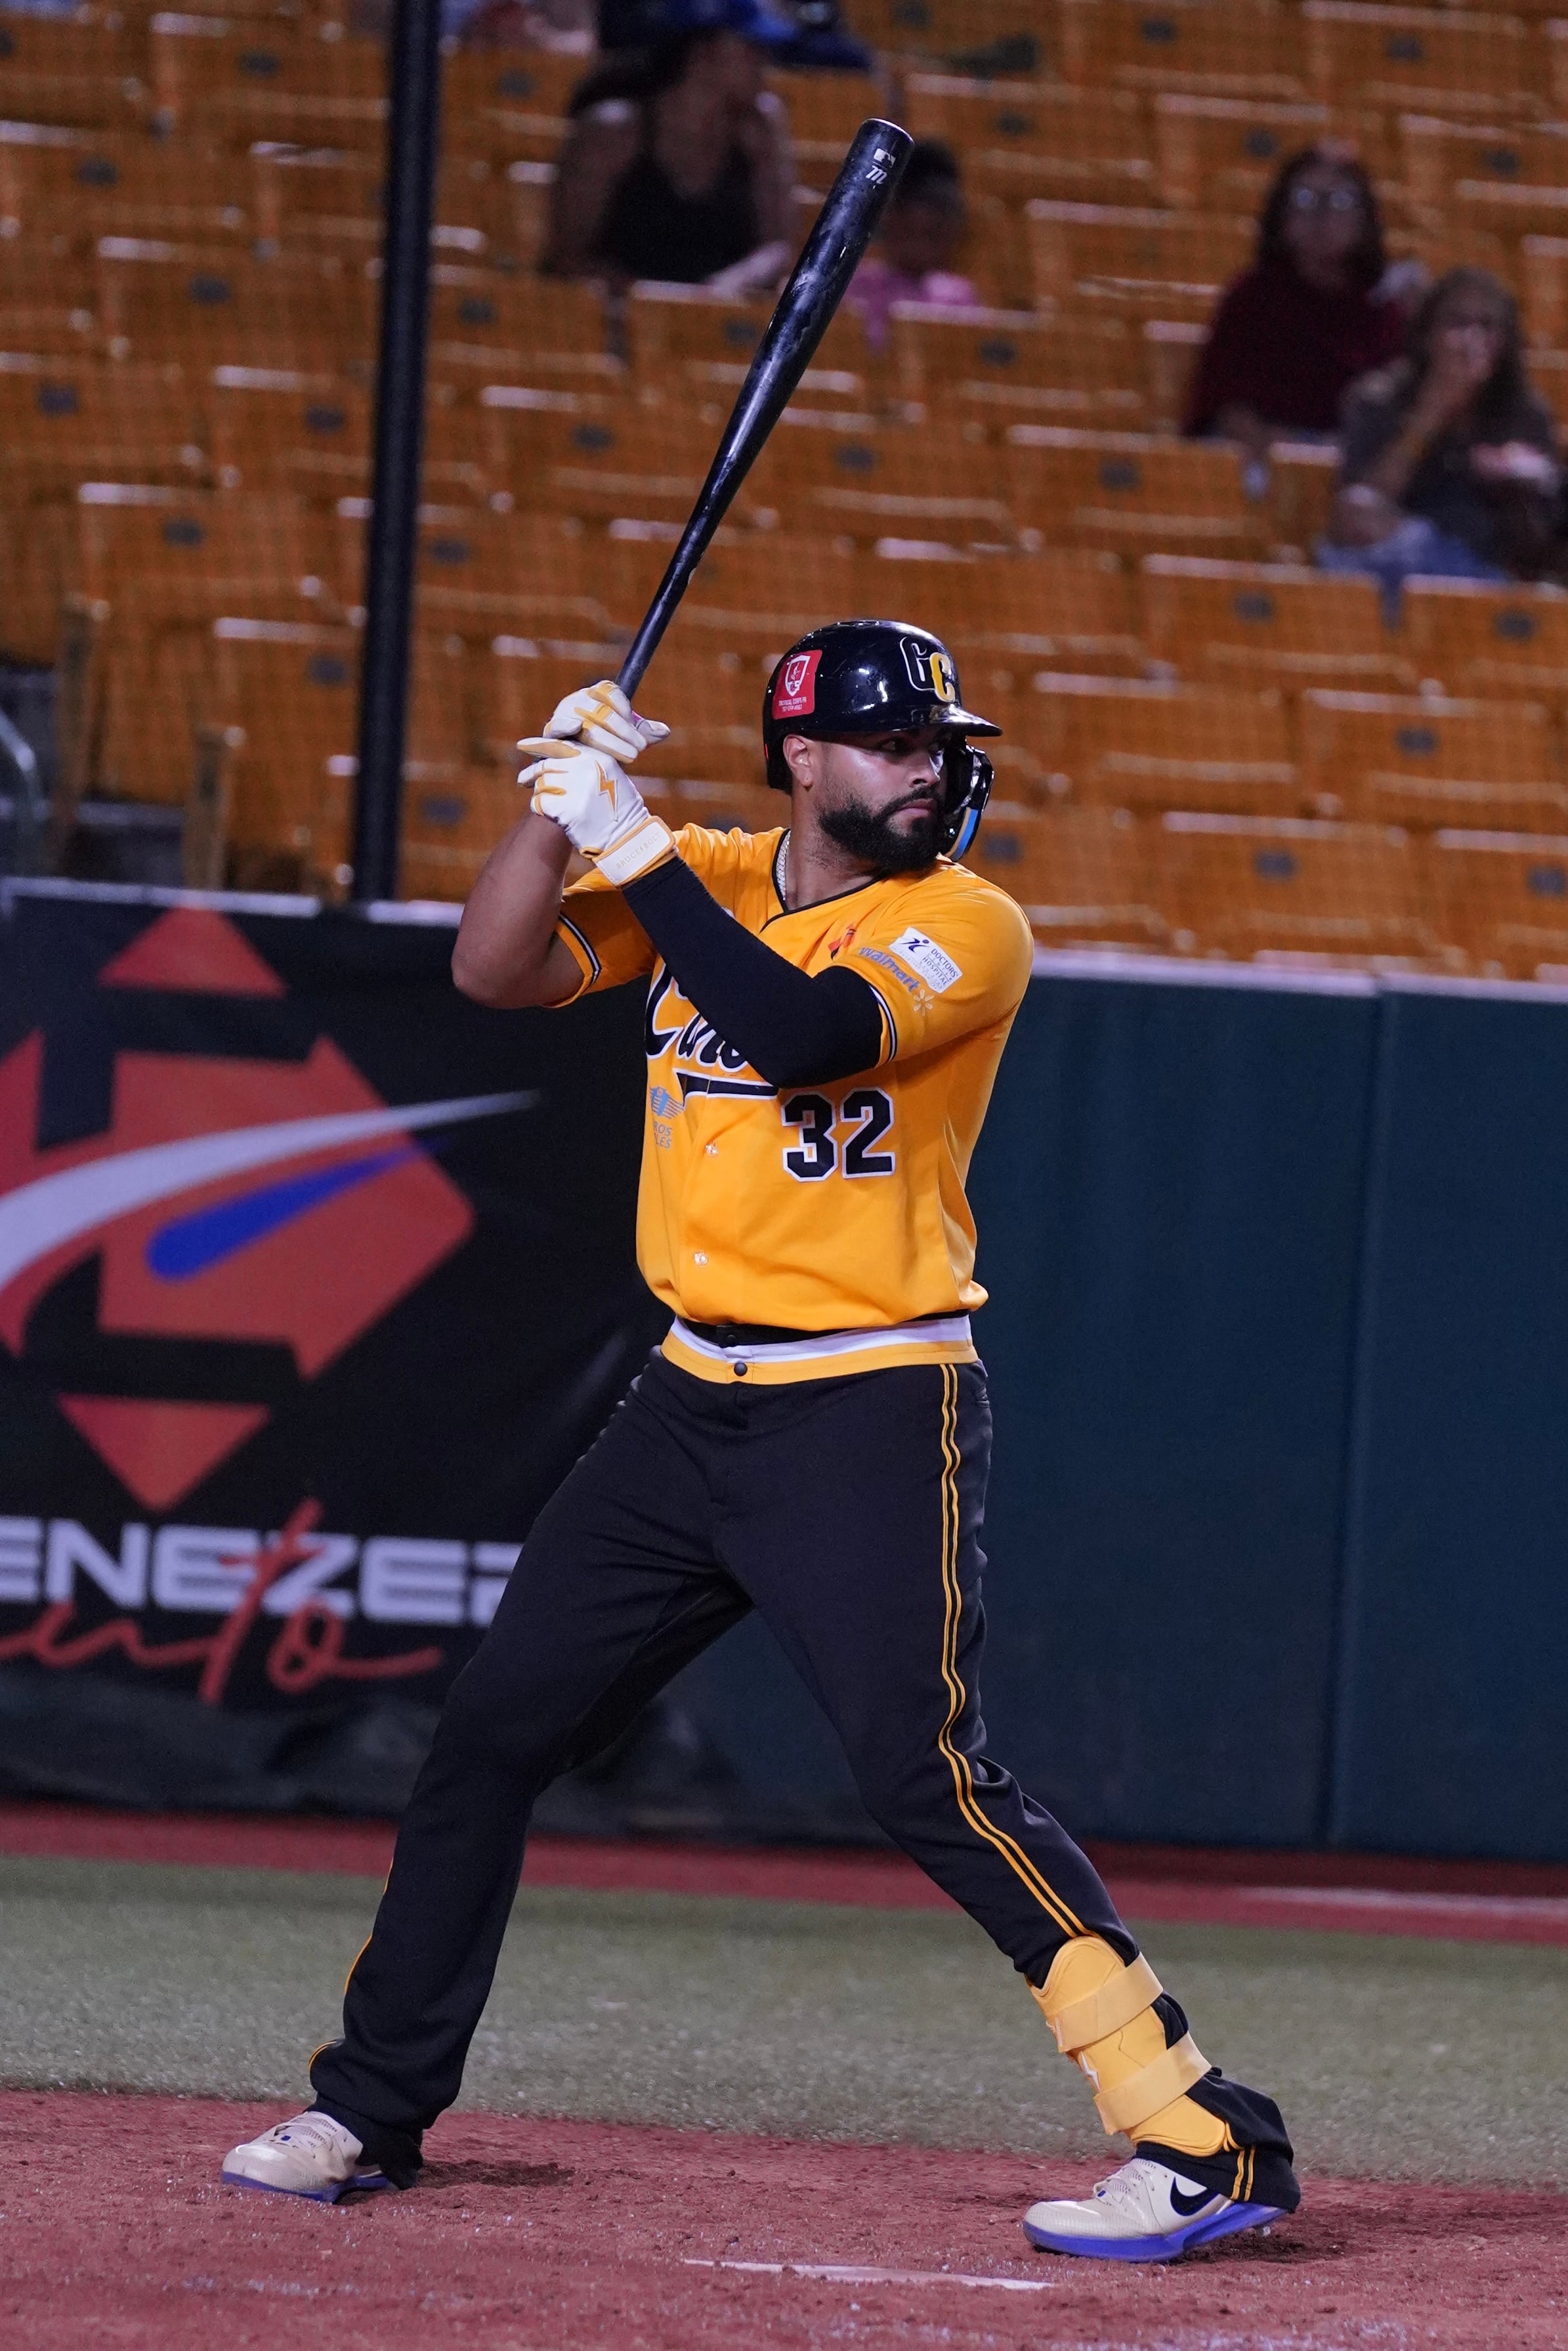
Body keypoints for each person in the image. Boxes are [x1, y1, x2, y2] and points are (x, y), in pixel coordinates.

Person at [219, 624, 1302, 2264]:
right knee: (491, 1732)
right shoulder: (714, 872)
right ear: (804, 758)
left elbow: (804, 1033)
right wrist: (555, 807)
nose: (933, 769)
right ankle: (372, 2106)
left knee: (923, 1772)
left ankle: (1202, 2130)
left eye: (940, 745)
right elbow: (493, 970)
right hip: (683, 1402)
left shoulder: (967, 921)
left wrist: (634, 844)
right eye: (899, 743)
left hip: (868, 1399)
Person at [1320, 267, 1563, 609]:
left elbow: (1545, 537)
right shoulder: (1378, 399)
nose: (1472, 339)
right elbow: (1358, 510)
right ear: (1427, 334)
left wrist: (1517, 481)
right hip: (1401, 564)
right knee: (1358, 511)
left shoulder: (1526, 413)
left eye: (1486, 325)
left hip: (1494, 572)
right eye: (1458, 323)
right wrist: (1432, 411)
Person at [541, 1, 794, 291]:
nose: (764, 62)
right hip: (613, 312)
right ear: (701, 54)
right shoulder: (610, 134)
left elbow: (777, 248)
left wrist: (723, 290)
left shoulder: (760, 128)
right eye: (752, 48)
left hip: (723, 315)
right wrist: (647, 302)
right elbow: (567, 258)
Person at [1184, 146, 1409, 465]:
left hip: (1352, 464)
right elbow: (1227, 406)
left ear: (1365, 219)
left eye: (1340, 201)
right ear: (1281, 217)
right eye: (1304, 200)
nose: (1322, 217)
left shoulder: (1384, 307)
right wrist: (1288, 460)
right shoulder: (1251, 298)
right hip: (1262, 459)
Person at [848, 139, 980, 353]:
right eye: (906, 208)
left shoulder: (960, 298)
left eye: (943, 212)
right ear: (889, 215)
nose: (927, 222)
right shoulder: (853, 288)